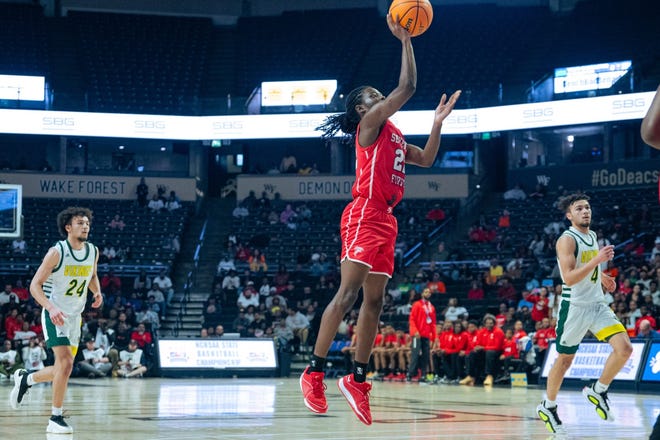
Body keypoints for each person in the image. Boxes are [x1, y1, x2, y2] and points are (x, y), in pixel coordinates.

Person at [299, 13, 460, 425]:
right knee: (348, 294)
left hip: (387, 219)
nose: (380, 98)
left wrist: (436, 124)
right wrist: (405, 39)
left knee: (376, 300)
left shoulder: (395, 136)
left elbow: (427, 158)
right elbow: (408, 86)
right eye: (373, 95)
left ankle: (357, 378)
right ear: (361, 107)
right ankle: (314, 372)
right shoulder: (370, 125)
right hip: (363, 213)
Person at [536, 194, 632, 435]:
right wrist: (599, 260)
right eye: (579, 208)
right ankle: (548, 406)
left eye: (587, 207)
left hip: (597, 303)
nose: (585, 211)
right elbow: (568, 277)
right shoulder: (566, 240)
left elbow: (586, 264)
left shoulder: (591, 235)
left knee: (625, 349)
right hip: (575, 306)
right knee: (565, 360)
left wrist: (601, 275)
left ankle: (598, 390)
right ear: (569, 215)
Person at [10, 206, 103, 434]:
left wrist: (97, 292)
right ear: (68, 227)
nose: (85, 226)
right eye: (80, 223)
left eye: (87, 223)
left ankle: (27, 379)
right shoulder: (57, 252)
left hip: (75, 316)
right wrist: (50, 308)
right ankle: (55, 418)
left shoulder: (93, 251)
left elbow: (91, 275)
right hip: (55, 314)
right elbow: (34, 285)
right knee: (67, 364)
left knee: (63, 368)